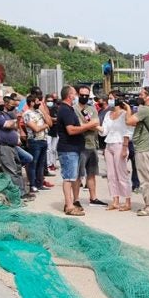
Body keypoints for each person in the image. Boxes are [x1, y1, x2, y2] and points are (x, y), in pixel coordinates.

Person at [55, 85, 101, 216]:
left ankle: (70, 203)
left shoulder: (68, 109)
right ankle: (69, 205)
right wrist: (89, 125)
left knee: (73, 176)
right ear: (70, 96)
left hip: (74, 148)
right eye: (75, 94)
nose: (77, 97)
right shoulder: (66, 110)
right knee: (69, 178)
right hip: (68, 149)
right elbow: (71, 130)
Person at [124, 87, 149, 216]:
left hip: (143, 148)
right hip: (146, 147)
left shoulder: (145, 109)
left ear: (148, 96)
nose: (139, 96)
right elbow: (135, 123)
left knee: (146, 179)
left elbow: (128, 121)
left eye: (141, 94)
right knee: (147, 178)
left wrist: (128, 109)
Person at [0, 95, 30, 200]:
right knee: (11, 171)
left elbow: (13, 125)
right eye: (0, 103)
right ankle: (17, 195)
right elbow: (7, 124)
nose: (2, 105)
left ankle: (22, 192)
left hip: (12, 146)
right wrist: (14, 121)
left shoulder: (4, 114)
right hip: (3, 147)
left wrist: (13, 123)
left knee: (18, 168)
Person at [100, 95, 133, 211]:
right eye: (109, 98)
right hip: (109, 144)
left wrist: (125, 147)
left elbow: (129, 130)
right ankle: (115, 200)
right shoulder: (108, 114)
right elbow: (104, 131)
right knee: (111, 174)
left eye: (111, 97)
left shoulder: (125, 114)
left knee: (122, 174)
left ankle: (128, 201)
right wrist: (96, 127)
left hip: (120, 144)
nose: (110, 100)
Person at [76, 85, 107, 207]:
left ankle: (93, 198)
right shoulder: (74, 109)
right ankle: (76, 199)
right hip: (80, 145)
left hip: (92, 144)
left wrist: (87, 125)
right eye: (82, 95)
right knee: (78, 174)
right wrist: (90, 125)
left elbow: (96, 122)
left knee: (92, 173)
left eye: (86, 95)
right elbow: (78, 125)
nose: (84, 97)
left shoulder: (92, 108)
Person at [22, 92, 51, 193]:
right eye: (37, 102)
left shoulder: (39, 112)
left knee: (41, 164)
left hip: (43, 140)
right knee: (33, 164)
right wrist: (45, 126)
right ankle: (33, 185)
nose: (39, 104)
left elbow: (50, 123)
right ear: (31, 103)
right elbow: (36, 128)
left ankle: (40, 183)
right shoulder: (27, 114)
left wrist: (44, 111)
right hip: (34, 141)